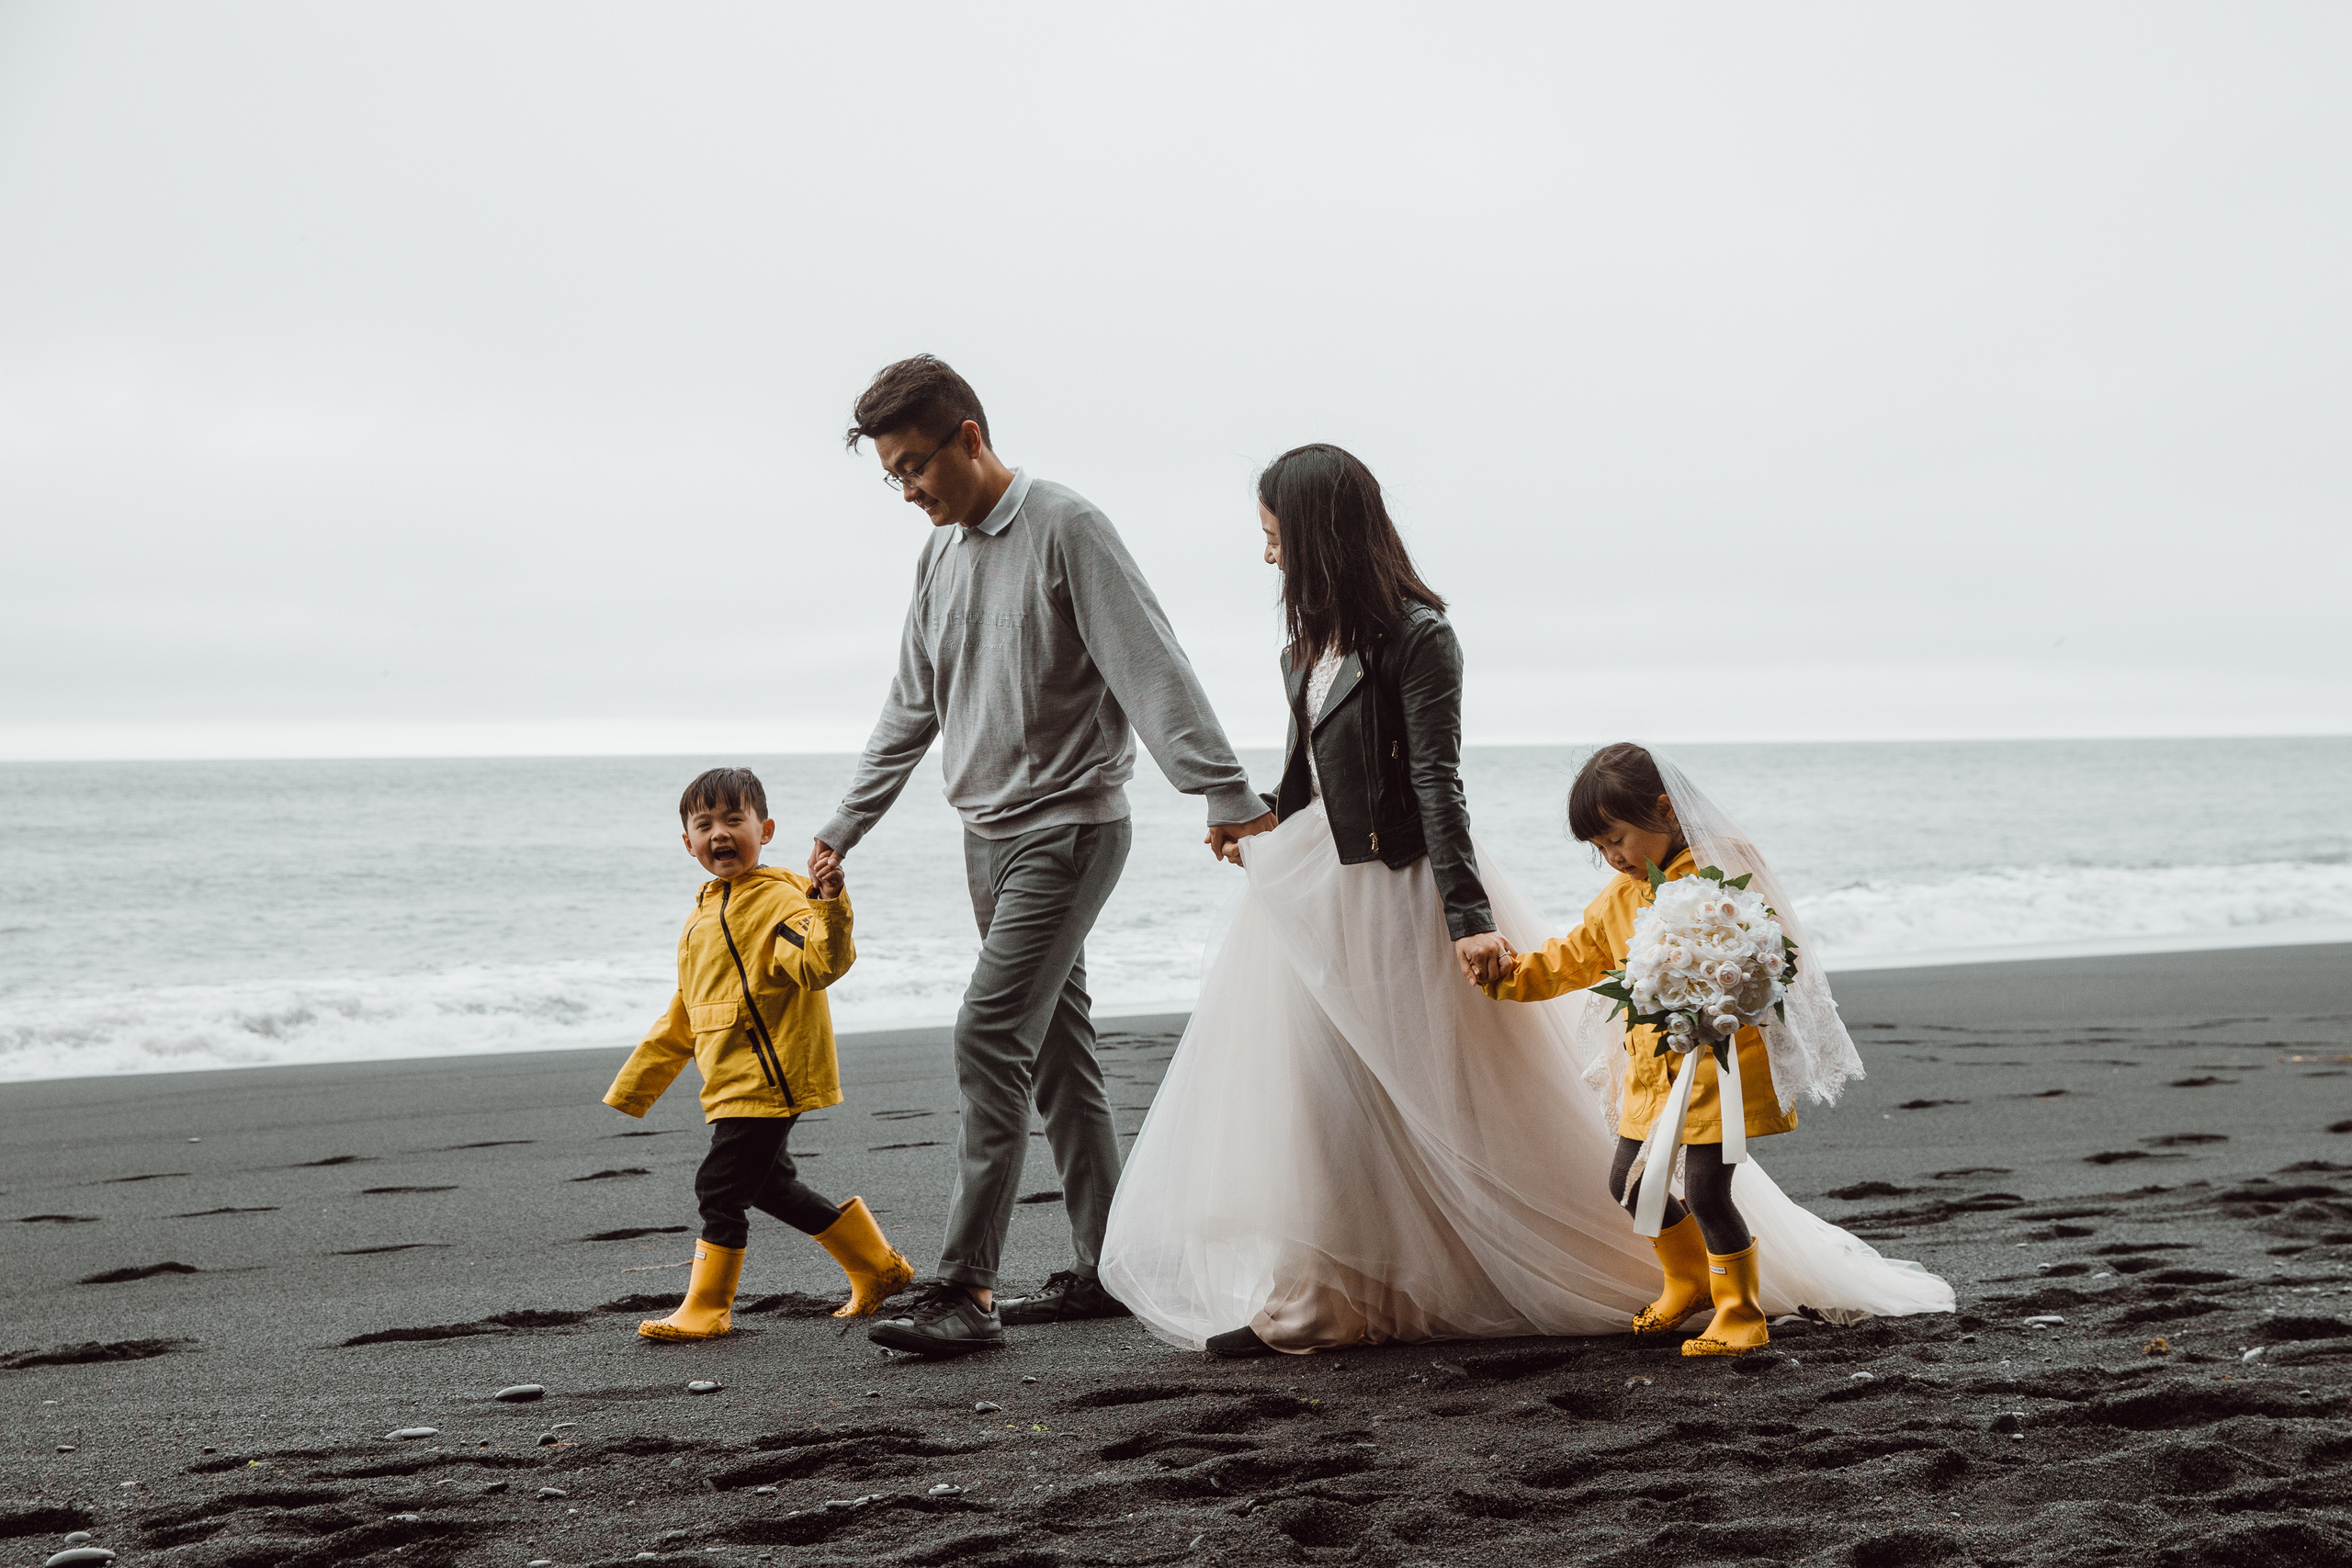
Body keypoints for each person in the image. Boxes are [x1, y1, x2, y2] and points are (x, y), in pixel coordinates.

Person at [1098, 446, 1953, 1357]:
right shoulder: (1305, 646)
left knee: (1430, 1093)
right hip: (1316, 893)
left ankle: (1669, 1272)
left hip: (1400, 892)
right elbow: (1308, 778)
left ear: (1317, 536)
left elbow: (1436, 780)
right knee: (1320, 1092)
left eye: (1274, 537)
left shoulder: (1420, 636)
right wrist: (1255, 821)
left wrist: (1468, 921)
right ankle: (1324, 1296)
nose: (1267, 556)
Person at [812, 355, 1274, 1358]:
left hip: (1069, 830)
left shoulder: (1067, 526)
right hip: (985, 839)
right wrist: (845, 825)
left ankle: (964, 1288)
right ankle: (1106, 1266)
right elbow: (912, 706)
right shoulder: (937, 558)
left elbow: (1150, 663)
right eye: (891, 476)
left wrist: (1224, 790)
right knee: (1057, 1054)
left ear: (968, 436)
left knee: (987, 1035)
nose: (907, 492)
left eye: (914, 467)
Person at [604, 767, 913, 1340]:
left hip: (772, 1074)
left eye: (733, 820)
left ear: (764, 830)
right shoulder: (702, 916)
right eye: (705, 824)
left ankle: (708, 1308)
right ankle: (878, 1268)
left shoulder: (780, 901)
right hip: (727, 1079)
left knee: (719, 1188)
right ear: (688, 843)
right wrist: (637, 1084)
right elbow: (686, 1011)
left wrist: (828, 902)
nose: (719, 833)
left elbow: (820, 965)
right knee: (769, 1187)